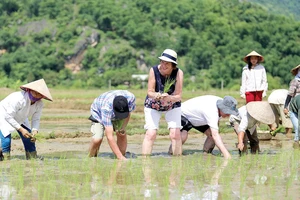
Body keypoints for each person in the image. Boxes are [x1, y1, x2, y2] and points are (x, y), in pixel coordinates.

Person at [142, 49, 184, 156]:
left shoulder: (178, 73)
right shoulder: (154, 70)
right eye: (162, 62)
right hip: (153, 104)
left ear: (173, 65)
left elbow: (178, 96)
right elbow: (150, 92)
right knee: (151, 134)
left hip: (172, 104)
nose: (163, 65)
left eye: (167, 63)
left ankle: (177, 163)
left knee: (175, 134)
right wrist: (157, 95)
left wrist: (169, 97)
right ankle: (145, 162)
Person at [169, 95, 239, 159]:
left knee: (211, 135)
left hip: (200, 118)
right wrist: (226, 155)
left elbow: (214, 131)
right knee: (183, 135)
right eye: (227, 113)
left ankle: (206, 155)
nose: (228, 115)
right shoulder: (211, 111)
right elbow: (216, 135)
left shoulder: (223, 104)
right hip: (183, 114)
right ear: (222, 108)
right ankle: (172, 154)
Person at [0, 79, 53, 161]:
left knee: (29, 138)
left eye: (39, 94)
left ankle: (32, 158)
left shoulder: (39, 104)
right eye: (35, 92)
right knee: (6, 140)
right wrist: (21, 129)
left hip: (21, 117)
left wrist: (35, 130)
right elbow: (8, 116)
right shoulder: (18, 99)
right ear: (29, 90)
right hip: (4, 115)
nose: (36, 95)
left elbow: (36, 118)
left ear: (43, 96)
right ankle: (5, 159)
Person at [88, 90, 136, 160]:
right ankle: (91, 158)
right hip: (98, 113)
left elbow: (128, 113)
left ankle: (121, 156)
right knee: (97, 139)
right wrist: (120, 157)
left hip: (113, 109)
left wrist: (123, 127)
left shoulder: (130, 98)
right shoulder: (106, 108)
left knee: (121, 133)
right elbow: (109, 136)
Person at [284, 64, 300, 145]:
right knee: (297, 127)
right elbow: (290, 94)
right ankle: (296, 144)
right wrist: (285, 106)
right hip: (294, 108)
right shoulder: (295, 81)